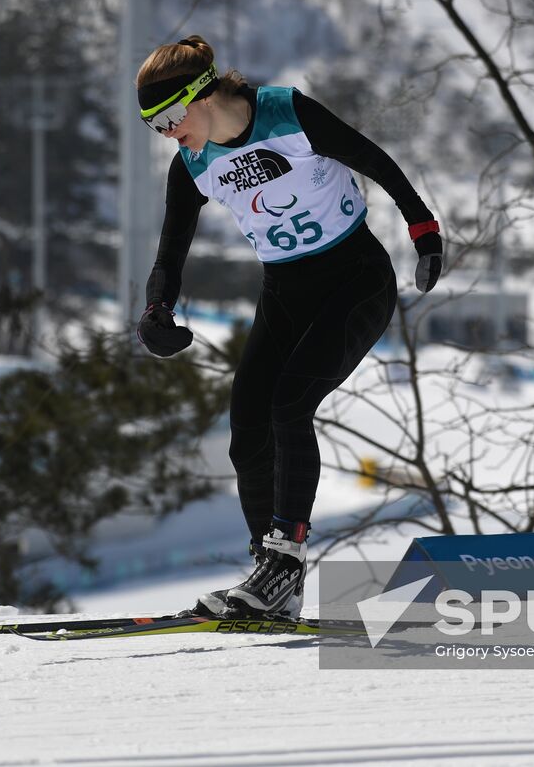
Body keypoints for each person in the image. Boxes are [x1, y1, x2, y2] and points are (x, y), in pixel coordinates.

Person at [134, 35, 443, 618]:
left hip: (355, 281)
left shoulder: (287, 112)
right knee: (248, 425)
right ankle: (271, 575)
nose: (169, 134)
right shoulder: (193, 165)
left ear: (202, 95)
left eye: (171, 118)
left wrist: (422, 228)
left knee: (289, 405)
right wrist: (156, 311)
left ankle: (284, 562)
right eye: (155, 127)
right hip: (285, 292)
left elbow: (374, 160)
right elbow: (169, 254)